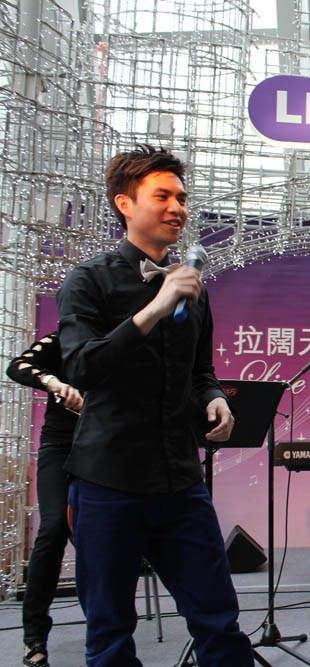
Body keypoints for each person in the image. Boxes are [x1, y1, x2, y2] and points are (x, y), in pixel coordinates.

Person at [57, 144, 252, 666]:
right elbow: (82, 367)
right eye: (162, 196)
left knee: (219, 621)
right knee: (110, 634)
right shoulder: (88, 281)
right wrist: (156, 307)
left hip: (180, 479)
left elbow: (200, 370)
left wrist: (214, 397)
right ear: (124, 203)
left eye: (181, 198)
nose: (177, 208)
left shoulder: (193, 287)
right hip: (108, 481)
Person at [6, 332, 82, 667]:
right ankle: (34, 635)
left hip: (107, 450)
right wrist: (53, 383)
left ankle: (108, 630)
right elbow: (18, 365)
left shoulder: (123, 338)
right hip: (60, 448)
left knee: (101, 535)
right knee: (53, 529)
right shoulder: (63, 338)